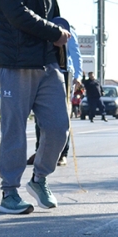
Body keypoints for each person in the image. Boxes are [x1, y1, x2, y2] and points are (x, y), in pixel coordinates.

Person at [0, 0, 73, 215]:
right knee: (14, 131)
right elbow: (17, 14)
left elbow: (52, 16)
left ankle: (39, 179)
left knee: (59, 128)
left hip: (48, 64)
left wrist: (61, 35)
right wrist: (54, 33)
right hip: (17, 64)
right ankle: (9, 193)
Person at [28, 16, 82, 168]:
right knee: (40, 115)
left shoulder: (68, 29)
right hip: (45, 71)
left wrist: (78, 77)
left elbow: (76, 55)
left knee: (62, 116)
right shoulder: (42, 26)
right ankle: (40, 151)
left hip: (64, 74)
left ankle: (62, 154)